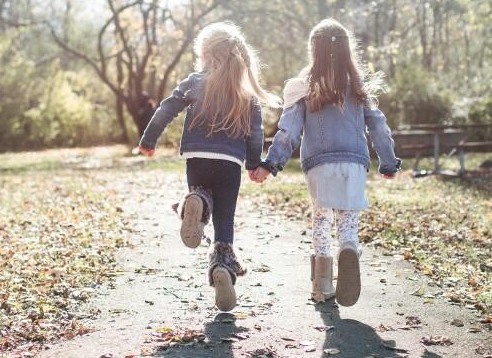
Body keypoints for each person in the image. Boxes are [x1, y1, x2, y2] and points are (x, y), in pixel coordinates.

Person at [251, 18, 399, 306]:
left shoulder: (302, 87)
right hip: (354, 164)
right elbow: (379, 127)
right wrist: (389, 163)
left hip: (319, 165)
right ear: (347, 51)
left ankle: (321, 285)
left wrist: (271, 163)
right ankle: (349, 248)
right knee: (347, 220)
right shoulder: (357, 88)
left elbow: (289, 131)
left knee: (321, 219)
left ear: (313, 51)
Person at [139, 22, 275, 311]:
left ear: (205, 55)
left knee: (202, 193)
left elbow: (166, 108)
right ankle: (222, 267)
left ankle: (196, 200)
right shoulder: (245, 92)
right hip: (230, 163)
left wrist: (148, 140)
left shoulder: (194, 81)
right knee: (224, 218)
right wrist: (254, 163)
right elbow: (256, 132)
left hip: (197, 156)